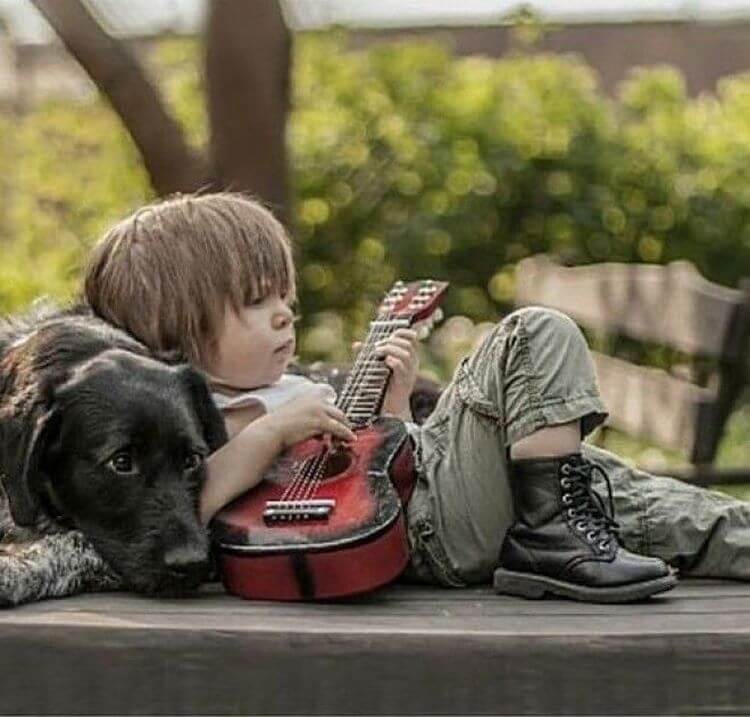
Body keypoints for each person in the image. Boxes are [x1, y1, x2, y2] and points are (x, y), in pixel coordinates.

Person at [83, 192, 750, 603]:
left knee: (667, 510)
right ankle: (553, 535)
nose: (285, 314)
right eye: (257, 302)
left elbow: (374, 472)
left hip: (440, 506)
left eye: (285, 295)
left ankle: (564, 521)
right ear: (175, 331)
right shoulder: (193, 420)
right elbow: (174, 515)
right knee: (532, 334)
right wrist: (268, 434)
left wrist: (394, 410)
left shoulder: (291, 389)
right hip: (428, 530)